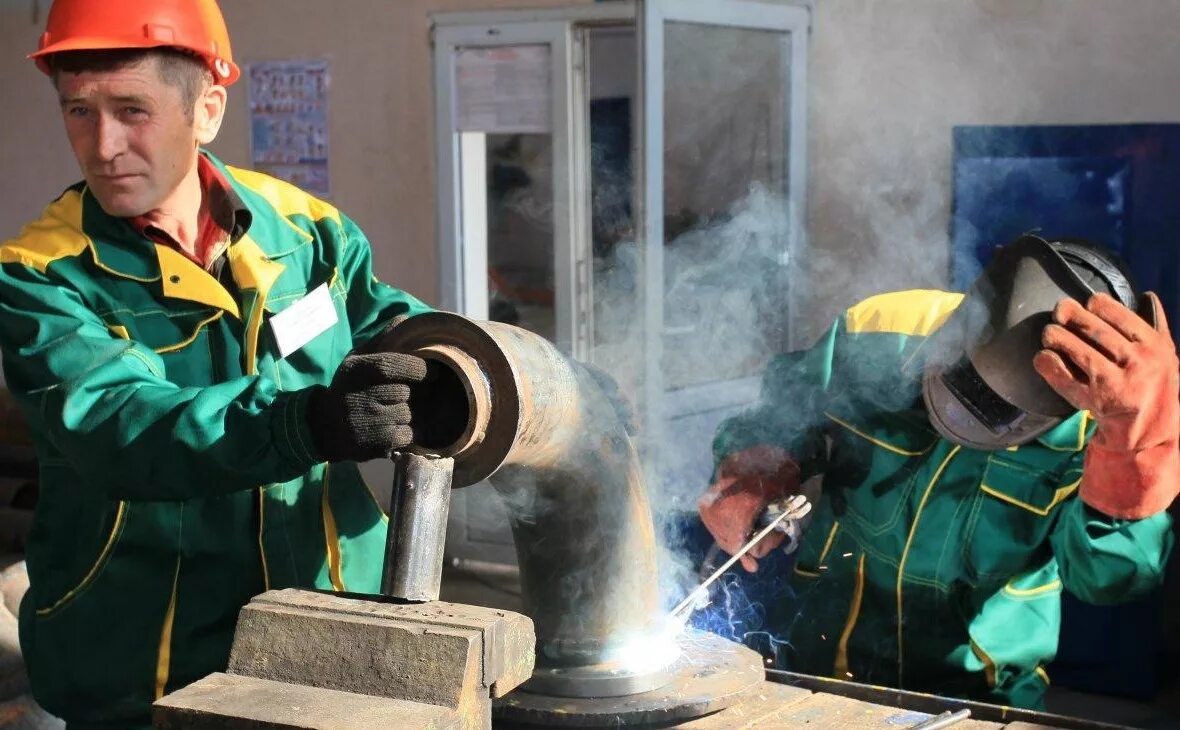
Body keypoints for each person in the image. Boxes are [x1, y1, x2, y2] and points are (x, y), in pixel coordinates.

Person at [0, 1, 436, 726]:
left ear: (207, 110)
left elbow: (384, 321)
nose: (102, 145)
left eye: (131, 110)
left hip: (339, 629)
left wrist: (448, 357)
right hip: (147, 669)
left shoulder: (310, 233)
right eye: (79, 111)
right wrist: (308, 424)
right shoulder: (40, 276)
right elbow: (121, 425)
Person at [698, 234, 1178, 709]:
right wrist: (752, 470)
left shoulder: (1100, 423)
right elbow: (783, 412)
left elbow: (1107, 579)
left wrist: (1134, 456)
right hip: (819, 659)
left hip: (978, 694)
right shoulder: (876, 332)